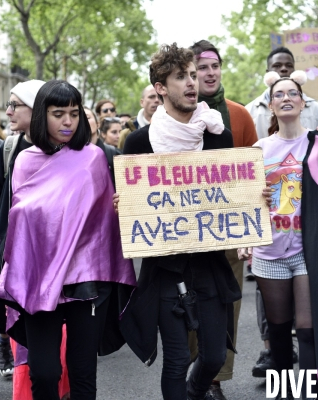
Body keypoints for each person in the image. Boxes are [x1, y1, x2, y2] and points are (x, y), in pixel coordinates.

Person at [0, 80, 136, 400]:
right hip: (39, 280)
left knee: (83, 374)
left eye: (73, 113)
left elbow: (101, 221)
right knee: (45, 373)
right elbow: (22, 220)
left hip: (85, 280)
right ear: (43, 116)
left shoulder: (93, 158)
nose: (68, 121)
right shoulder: (24, 161)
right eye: (59, 113)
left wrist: (119, 207)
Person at [120, 43, 240, 400]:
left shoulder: (219, 137)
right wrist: (124, 206)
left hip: (209, 265)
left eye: (192, 75)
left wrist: (254, 201)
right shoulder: (139, 143)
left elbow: (234, 195)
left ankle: (194, 392)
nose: (191, 83)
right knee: (174, 360)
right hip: (166, 270)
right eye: (180, 76)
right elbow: (134, 206)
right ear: (160, 86)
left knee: (214, 356)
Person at [239, 69, 316, 397]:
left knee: (309, 329)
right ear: (270, 106)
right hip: (269, 252)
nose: (286, 98)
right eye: (279, 95)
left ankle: (314, 389)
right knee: (280, 331)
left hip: (307, 250)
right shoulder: (258, 149)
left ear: (303, 103)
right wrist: (256, 199)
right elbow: (242, 199)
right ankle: (284, 391)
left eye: (292, 94)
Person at [190, 39, 258, 400]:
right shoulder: (172, 119)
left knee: (227, 303)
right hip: (183, 233)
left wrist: (249, 231)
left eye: (214, 65)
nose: (210, 72)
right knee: (188, 304)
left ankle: (215, 377)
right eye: (201, 67)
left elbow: (252, 177)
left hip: (229, 231)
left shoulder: (241, 115)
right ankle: (190, 371)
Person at [246, 47, 318, 139]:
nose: (284, 69)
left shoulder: (315, 109)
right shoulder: (249, 111)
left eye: (289, 65)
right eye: (277, 65)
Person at [84, 107, 121, 187]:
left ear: (98, 124)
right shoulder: (68, 156)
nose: (83, 121)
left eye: (87, 117)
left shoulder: (114, 153)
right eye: (79, 118)